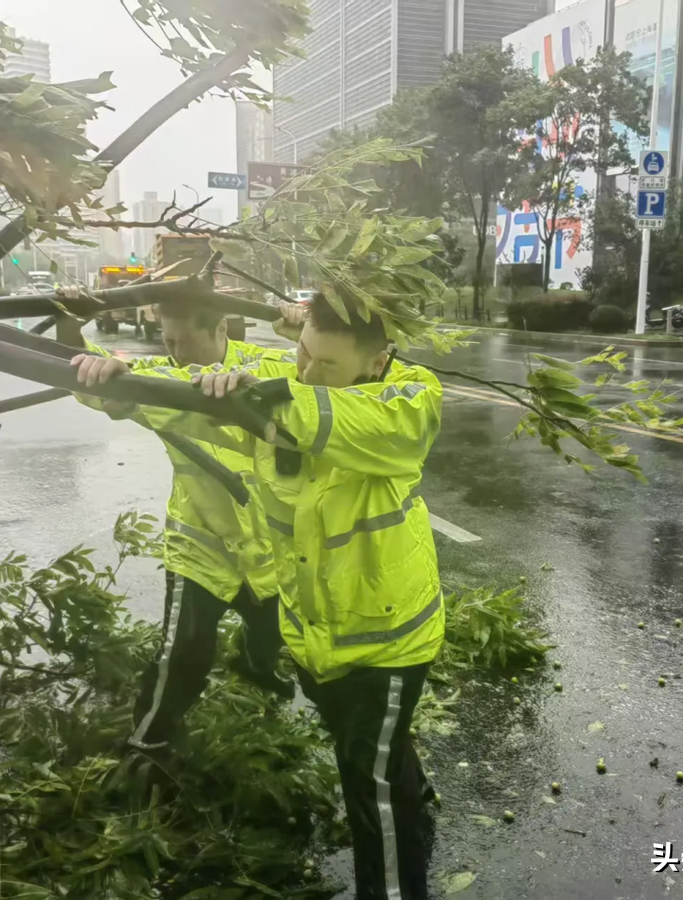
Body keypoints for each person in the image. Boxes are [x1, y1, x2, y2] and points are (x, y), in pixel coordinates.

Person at [72, 295, 443, 900]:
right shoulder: (279, 393)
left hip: (386, 642)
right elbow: (182, 404)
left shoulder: (410, 400)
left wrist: (258, 398)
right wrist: (116, 387)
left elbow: (327, 416)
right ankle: (416, 793)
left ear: (376, 363)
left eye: (324, 364)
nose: (304, 370)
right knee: (371, 755)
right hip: (317, 638)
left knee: (369, 798)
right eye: (301, 353)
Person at [75, 300, 293, 757]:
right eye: (167, 342)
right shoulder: (164, 376)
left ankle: (257, 667)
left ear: (218, 327)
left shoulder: (264, 367)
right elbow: (102, 382)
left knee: (272, 633)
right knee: (182, 657)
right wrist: (89, 359)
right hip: (201, 546)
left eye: (182, 342)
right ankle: (148, 741)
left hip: (269, 551)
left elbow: (328, 380)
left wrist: (300, 327)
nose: (174, 354)